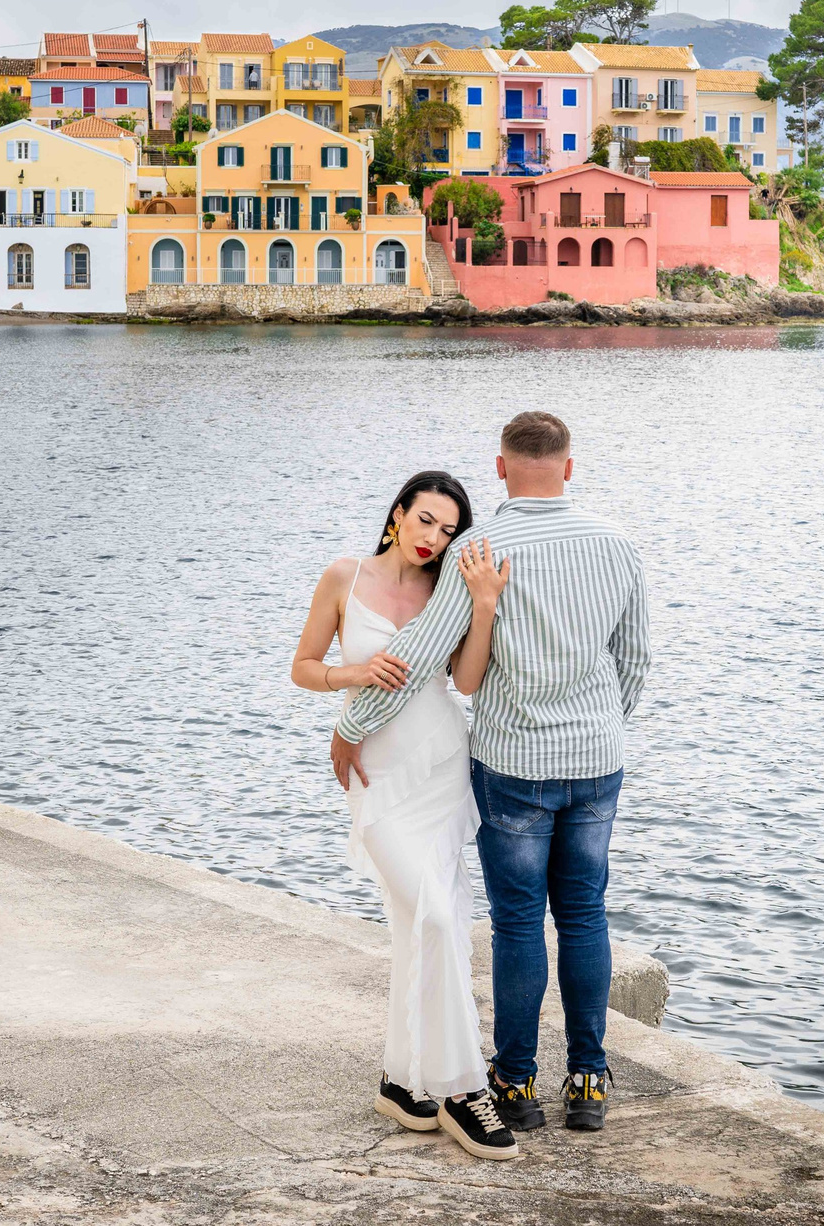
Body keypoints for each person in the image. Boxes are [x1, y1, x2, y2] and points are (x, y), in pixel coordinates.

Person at [331, 411, 650, 1138]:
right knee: (585, 914)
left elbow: (418, 656)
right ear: (569, 468)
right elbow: (635, 663)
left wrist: (350, 728)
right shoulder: (619, 544)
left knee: (516, 923)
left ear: (500, 468)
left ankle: (514, 1081)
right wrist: (599, 725)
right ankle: (590, 1081)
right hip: (597, 761)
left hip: (514, 766)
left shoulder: (481, 547)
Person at [290, 470, 518, 1161]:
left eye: (448, 530)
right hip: (379, 776)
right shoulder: (343, 576)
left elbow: (468, 681)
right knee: (436, 919)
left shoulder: (447, 588)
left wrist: (482, 608)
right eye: (425, 521)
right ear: (397, 515)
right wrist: (350, 676)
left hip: (443, 768)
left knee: (424, 927)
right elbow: (303, 666)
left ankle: (400, 1080)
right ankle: (459, 1088)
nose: (433, 538)